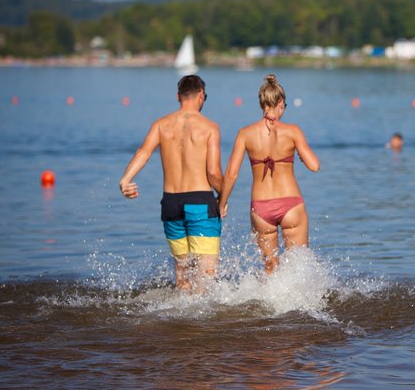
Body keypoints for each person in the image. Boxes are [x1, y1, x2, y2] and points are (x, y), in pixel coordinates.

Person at [119, 75, 223, 291]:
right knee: (206, 275)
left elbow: (144, 152)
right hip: (200, 202)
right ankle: (203, 324)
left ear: (178, 96)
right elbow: (213, 173)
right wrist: (224, 196)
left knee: (182, 275)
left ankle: (180, 322)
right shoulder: (210, 127)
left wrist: (125, 179)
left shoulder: (161, 124)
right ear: (201, 94)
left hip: (171, 203)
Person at [218, 74, 319, 274]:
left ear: (262, 103)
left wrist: (222, 204)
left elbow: (231, 174)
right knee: (299, 268)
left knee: (270, 268)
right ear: (280, 102)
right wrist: (299, 155)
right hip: (291, 205)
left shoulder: (245, 134)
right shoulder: (293, 131)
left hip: (261, 208)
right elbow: (314, 166)